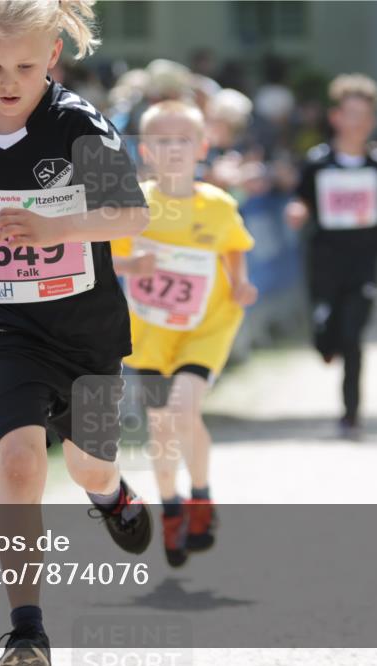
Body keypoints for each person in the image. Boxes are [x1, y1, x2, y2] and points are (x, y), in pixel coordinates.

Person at [0, 1, 151, 665]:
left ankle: (111, 493)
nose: (7, 80)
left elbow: (131, 214)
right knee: (19, 463)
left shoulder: (79, 128)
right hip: (5, 323)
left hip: (87, 330)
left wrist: (56, 228)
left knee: (86, 463)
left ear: (52, 57)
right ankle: (27, 631)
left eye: (23, 65)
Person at [111, 101, 256, 568]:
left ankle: (201, 496)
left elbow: (234, 248)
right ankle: (171, 504)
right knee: (161, 426)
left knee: (182, 407)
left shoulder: (218, 205)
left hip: (206, 327)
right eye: (161, 142)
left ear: (202, 148)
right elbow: (102, 255)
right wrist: (132, 265)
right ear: (146, 151)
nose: (173, 150)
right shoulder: (132, 202)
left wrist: (240, 282)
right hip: (150, 331)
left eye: (182, 142)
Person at [285, 73, 377, 439]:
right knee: (326, 336)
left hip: (365, 261)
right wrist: (297, 211)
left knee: (354, 336)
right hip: (324, 261)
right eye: (350, 114)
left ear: (372, 121)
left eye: (364, 115)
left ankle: (351, 413)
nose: (357, 123)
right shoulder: (318, 162)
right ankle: (326, 344)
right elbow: (300, 198)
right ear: (336, 117)